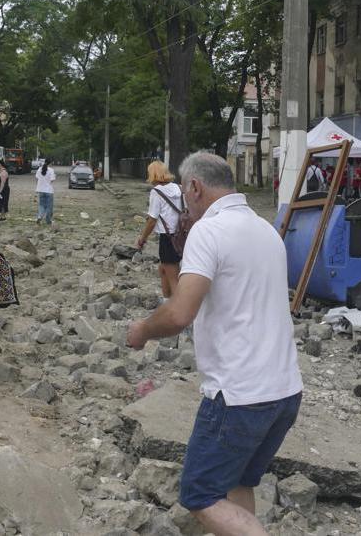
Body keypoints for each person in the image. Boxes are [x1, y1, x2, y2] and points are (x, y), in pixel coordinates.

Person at [127, 152, 303, 536]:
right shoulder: (264, 230)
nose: (185, 208)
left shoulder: (211, 230)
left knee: (200, 493)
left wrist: (141, 329)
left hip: (239, 395)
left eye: (186, 197)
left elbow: (179, 314)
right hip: (285, 390)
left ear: (195, 187)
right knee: (238, 482)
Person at [135, 160, 183, 299]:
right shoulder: (178, 188)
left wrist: (142, 239)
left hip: (168, 239)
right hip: (182, 236)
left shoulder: (156, 192)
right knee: (163, 270)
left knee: (173, 279)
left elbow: (152, 220)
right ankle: (166, 302)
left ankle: (177, 312)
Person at [35, 158, 56, 225]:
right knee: (49, 206)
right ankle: (48, 220)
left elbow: (37, 178)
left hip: (41, 190)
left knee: (41, 205)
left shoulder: (39, 169)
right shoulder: (51, 170)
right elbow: (52, 180)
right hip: (49, 190)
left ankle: (39, 216)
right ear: (50, 163)